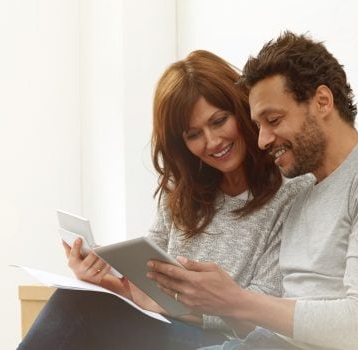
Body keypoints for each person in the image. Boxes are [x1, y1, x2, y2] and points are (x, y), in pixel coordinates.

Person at [147, 31, 358, 350]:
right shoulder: (304, 197)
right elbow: (267, 325)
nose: (262, 140)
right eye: (258, 125)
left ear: (322, 101)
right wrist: (227, 304)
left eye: (273, 120)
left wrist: (237, 300)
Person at [17, 50, 312, 349]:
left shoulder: (290, 193)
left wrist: (182, 306)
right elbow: (146, 284)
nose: (212, 142)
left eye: (219, 121)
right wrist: (104, 281)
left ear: (242, 109)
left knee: (80, 309)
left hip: (228, 342)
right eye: (193, 134)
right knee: (79, 296)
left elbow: (265, 311)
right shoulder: (183, 194)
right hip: (167, 329)